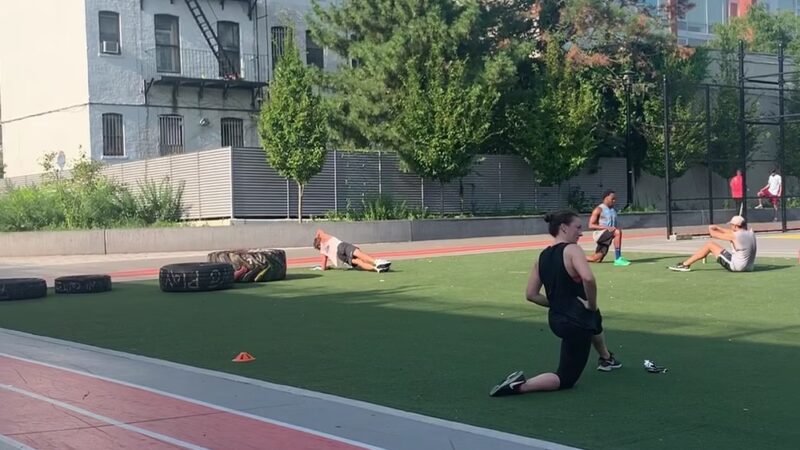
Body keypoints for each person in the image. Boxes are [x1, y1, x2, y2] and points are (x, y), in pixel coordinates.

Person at [489, 210, 622, 397]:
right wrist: (590, 304)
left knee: (595, 319)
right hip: (577, 321)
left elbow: (531, 294)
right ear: (563, 228)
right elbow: (588, 279)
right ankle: (519, 386)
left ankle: (606, 358)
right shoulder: (573, 250)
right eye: (578, 227)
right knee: (566, 378)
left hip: (557, 320)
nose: (581, 233)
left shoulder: (542, 256)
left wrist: (558, 303)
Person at [667, 215, 757, 273]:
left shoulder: (734, 235)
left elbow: (713, 235)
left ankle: (685, 264)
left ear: (735, 226)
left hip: (737, 267)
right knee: (715, 246)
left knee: (710, 245)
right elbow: (730, 232)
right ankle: (685, 264)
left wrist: (710, 228)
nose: (731, 227)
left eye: (732, 225)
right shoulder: (750, 233)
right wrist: (718, 227)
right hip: (749, 267)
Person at [313, 229, 391, 273]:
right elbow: (319, 230)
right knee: (359, 253)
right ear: (319, 240)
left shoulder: (323, 252)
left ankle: (376, 269)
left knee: (358, 262)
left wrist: (327, 267)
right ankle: (376, 262)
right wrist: (316, 237)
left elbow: (323, 267)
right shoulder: (324, 238)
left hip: (340, 257)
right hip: (341, 246)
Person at [586, 190, 630, 266]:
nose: (614, 200)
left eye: (615, 199)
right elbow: (591, 225)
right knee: (617, 232)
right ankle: (618, 258)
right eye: (612, 198)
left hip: (608, 235)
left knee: (597, 259)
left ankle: (577, 258)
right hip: (600, 234)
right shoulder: (599, 209)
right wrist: (606, 227)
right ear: (606, 197)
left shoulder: (613, 210)